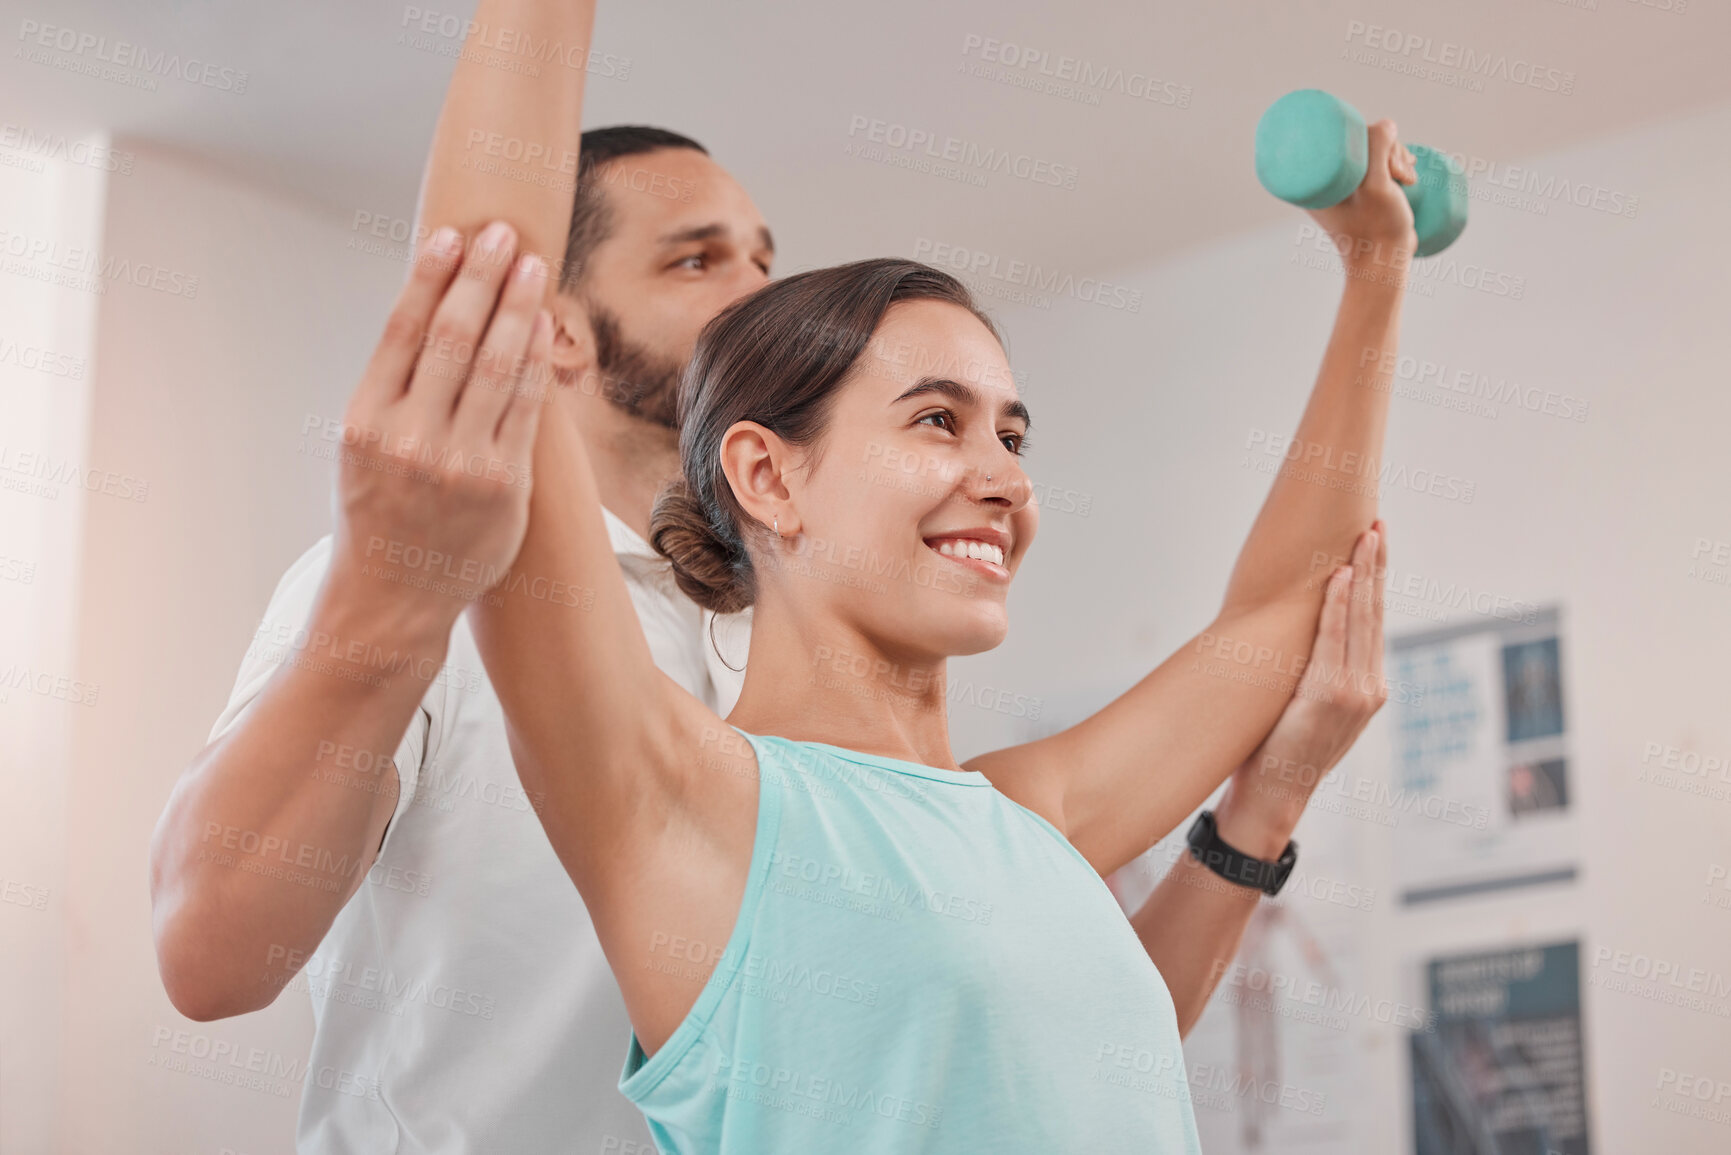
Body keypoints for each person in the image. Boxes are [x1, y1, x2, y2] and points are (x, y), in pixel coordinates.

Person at [149, 2, 1403, 1150]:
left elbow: (1290, 618)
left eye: (1014, 434)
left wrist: (1376, 272)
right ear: (768, 474)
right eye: (935, 421)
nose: (1007, 477)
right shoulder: (682, 778)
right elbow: (488, 289)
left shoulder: (1020, 821)